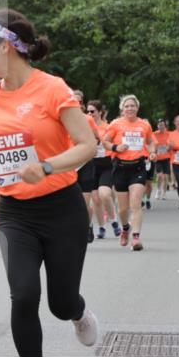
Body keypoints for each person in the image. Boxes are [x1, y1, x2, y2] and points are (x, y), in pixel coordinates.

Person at [0, 9, 99, 357]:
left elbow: (87, 145)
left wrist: (46, 166)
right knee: (23, 294)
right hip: (14, 214)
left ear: (6, 46)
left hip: (61, 208)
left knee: (60, 303)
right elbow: (1, 154)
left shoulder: (52, 89)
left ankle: (78, 313)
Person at [101, 95, 156, 251]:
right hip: (120, 167)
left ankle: (136, 237)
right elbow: (105, 141)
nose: (130, 108)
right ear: (122, 109)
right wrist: (115, 148)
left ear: (137, 108)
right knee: (123, 209)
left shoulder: (144, 125)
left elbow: (150, 141)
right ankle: (125, 228)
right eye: (127, 106)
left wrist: (151, 152)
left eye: (132, 106)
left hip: (138, 167)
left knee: (136, 204)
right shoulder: (115, 124)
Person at [87, 99, 121, 239]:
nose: (89, 114)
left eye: (92, 111)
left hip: (106, 164)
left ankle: (114, 221)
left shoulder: (108, 127)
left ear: (100, 112)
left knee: (105, 194)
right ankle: (101, 227)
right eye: (87, 111)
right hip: (91, 164)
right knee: (95, 199)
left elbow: (115, 144)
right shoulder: (85, 126)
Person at [72, 90, 102, 243]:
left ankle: (87, 226)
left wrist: (88, 148)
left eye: (78, 102)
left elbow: (97, 138)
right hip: (69, 164)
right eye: (72, 100)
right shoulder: (61, 118)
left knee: (84, 202)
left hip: (85, 163)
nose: (75, 104)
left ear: (82, 105)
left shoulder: (88, 120)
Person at [152, 118, 172, 200]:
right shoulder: (154, 134)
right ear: (157, 126)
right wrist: (155, 150)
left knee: (166, 176)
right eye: (159, 125)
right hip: (157, 158)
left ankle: (164, 193)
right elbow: (151, 143)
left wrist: (169, 147)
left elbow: (172, 145)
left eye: (162, 125)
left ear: (165, 126)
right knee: (160, 176)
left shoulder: (169, 134)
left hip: (167, 157)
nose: (161, 127)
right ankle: (158, 190)